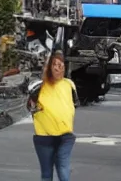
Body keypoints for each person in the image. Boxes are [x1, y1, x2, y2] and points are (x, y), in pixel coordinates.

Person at [29, 49, 79, 181]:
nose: (59, 68)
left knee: (63, 169)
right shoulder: (39, 86)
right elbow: (30, 106)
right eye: (55, 65)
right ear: (49, 67)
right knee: (46, 174)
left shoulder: (69, 84)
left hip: (65, 136)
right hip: (44, 137)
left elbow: (74, 104)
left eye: (61, 65)